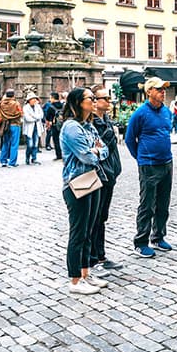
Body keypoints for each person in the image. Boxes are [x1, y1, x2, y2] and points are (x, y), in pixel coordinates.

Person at [60, 87, 109, 294]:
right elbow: (86, 156)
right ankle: (74, 280)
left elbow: (105, 149)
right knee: (78, 232)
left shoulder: (88, 126)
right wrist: (96, 150)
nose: (95, 101)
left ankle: (85, 274)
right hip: (76, 183)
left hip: (92, 180)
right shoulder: (71, 127)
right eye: (91, 98)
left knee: (90, 230)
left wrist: (96, 150)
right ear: (79, 102)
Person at [126, 77, 174, 258]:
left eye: (164, 89)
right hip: (149, 165)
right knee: (147, 205)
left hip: (166, 162)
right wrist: (141, 158)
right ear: (149, 92)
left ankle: (158, 236)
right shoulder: (140, 113)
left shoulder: (166, 111)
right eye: (159, 89)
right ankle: (141, 241)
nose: (163, 92)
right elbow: (130, 139)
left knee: (163, 203)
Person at [90, 84, 124, 277]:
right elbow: (99, 148)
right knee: (95, 218)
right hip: (99, 174)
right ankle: (93, 258)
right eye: (105, 98)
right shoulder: (93, 123)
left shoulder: (106, 120)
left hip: (109, 174)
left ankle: (101, 255)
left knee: (102, 216)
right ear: (95, 102)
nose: (109, 101)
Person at [0, 89, 23, 168]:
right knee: (14, 144)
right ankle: (12, 162)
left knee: (5, 143)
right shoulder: (16, 103)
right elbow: (20, 113)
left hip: (5, 125)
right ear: (13, 95)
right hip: (15, 124)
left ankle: (3, 161)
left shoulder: (1, 103)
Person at [23, 93, 44, 165]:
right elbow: (27, 118)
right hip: (29, 128)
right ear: (29, 100)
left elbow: (41, 115)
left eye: (35, 99)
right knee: (30, 145)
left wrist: (33, 116)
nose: (34, 100)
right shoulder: (26, 108)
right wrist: (36, 118)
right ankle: (27, 157)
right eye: (33, 99)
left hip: (37, 128)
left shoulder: (38, 107)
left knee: (35, 144)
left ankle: (34, 158)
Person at [45, 92, 65, 160]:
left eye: (50, 98)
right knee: (63, 140)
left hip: (55, 125)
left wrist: (48, 124)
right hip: (63, 125)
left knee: (56, 140)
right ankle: (64, 154)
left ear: (53, 98)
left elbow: (47, 117)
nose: (50, 99)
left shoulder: (51, 107)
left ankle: (58, 155)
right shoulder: (63, 105)